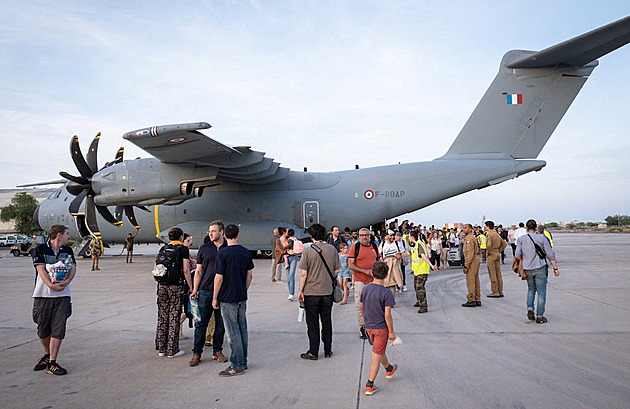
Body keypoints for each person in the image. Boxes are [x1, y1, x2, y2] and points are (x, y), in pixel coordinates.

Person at [31, 225, 77, 376]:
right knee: (43, 330)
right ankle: (47, 354)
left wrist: (67, 282)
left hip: (62, 296)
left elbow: (72, 268)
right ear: (59, 235)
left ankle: (52, 362)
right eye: (66, 234)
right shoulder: (40, 249)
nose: (68, 236)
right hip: (43, 296)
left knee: (58, 329)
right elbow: (41, 269)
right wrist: (51, 285)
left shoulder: (67, 251)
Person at [212, 224, 254, 376]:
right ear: (238, 235)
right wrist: (244, 289)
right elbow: (249, 275)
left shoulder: (222, 253)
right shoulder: (245, 252)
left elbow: (219, 278)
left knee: (232, 331)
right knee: (242, 329)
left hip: (227, 297)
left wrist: (215, 297)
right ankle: (243, 361)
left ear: (225, 235)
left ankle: (236, 364)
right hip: (241, 296)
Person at [297, 223, 340, 360]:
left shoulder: (308, 251)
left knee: (312, 323)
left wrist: (300, 291)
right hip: (327, 292)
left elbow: (304, 274)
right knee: (326, 321)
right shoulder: (332, 249)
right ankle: (328, 350)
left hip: (311, 292)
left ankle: (313, 352)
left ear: (311, 236)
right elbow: (337, 269)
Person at [189, 221, 228, 367]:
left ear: (221, 232)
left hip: (223, 292)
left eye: (213, 231)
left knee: (220, 324)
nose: (210, 233)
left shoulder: (228, 248)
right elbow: (198, 271)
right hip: (205, 291)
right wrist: (195, 289)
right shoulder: (204, 249)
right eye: (209, 231)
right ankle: (197, 353)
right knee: (201, 323)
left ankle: (217, 350)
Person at [360, 261, 398, 396]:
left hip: (369, 326)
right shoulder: (387, 293)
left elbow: (361, 306)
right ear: (386, 275)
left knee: (378, 350)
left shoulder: (366, 288)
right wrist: (392, 332)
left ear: (372, 273)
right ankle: (370, 384)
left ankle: (389, 368)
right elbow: (387, 315)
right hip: (381, 328)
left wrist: (366, 320)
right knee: (376, 355)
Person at [155, 228, 192, 358]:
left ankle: (161, 349)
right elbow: (186, 270)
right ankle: (172, 349)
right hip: (176, 287)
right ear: (181, 236)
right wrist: (191, 287)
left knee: (162, 316)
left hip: (162, 286)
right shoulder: (183, 249)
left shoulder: (164, 248)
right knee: (174, 317)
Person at [515, 219, 559, 323]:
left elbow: (517, 255)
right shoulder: (542, 238)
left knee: (531, 290)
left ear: (526, 227)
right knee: (541, 292)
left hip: (528, 268)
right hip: (540, 268)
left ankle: (530, 309)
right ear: (535, 227)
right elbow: (550, 254)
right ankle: (540, 316)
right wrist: (555, 268)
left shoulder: (521, 239)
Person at [348, 227, 381, 339]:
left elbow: (379, 260)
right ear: (358, 236)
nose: (364, 237)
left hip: (374, 281)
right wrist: (365, 271)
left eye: (366, 235)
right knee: (360, 305)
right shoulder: (355, 247)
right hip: (360, 281)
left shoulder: (374, 246)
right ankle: (363, 327)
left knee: (374, 305)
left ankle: (372, 326)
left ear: (370, 236)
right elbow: (351, 264)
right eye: (362, 235)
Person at [409, 231, 438, 313]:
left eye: (409, 236)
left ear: (412, 237)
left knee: (420, 288)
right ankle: (419, 301)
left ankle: (423, 306)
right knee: (416, 286)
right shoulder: (415, 245)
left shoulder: (419, 244)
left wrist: (432, 265)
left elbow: (423, 256)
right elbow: (411, 254)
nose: (408, 238)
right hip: (417, 270)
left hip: (422, 270)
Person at [485, 221, 507, 298]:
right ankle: (500, 290)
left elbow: (489, 245)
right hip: (497, 253)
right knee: (498, 273)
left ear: (488, 226)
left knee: (492, 273)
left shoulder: (489, 234)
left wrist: (489, 251)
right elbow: (504, 244)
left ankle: (495, 291)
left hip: (491, 254)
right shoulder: (497, 234)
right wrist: (499, 251)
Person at [461, 223, 481, 307]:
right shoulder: (472, 237)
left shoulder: (469, 238)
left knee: (471, 280)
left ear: (470, 229)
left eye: (465, 228)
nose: (463, 229)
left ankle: (471, 299)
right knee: (476, 280)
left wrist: (466, 265)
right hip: (475, 259)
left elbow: (469, 253)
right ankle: (477, 298)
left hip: (472, 260)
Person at [380, 230, 405, 294]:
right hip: (386, 266)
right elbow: (379, 254)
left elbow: (403, 252)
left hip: (395, 266)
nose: (392, 237)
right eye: (390, 235)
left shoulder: (397, 243)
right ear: (387, 236)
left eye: (393, 235)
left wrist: (400, 256)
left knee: (392, 284)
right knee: (386, 284)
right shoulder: (383, 244)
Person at [285, 229, 302, 301]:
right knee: (289, 276)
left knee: (290, 276)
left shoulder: (290, 240)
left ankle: (291, 293)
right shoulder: (295, 240)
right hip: (292, 257)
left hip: (289, 256)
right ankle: (290, 292)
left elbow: (287, 246)